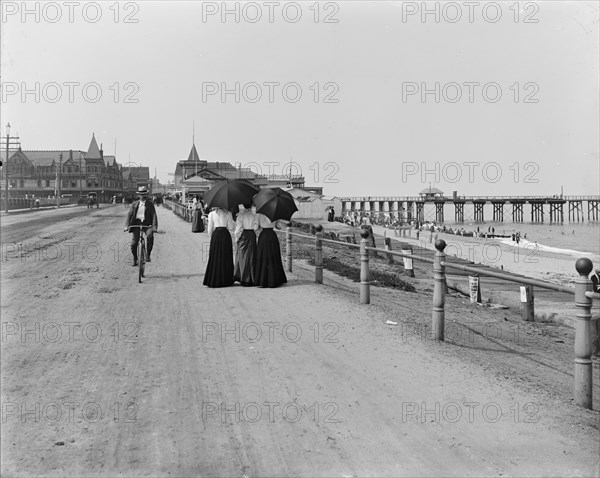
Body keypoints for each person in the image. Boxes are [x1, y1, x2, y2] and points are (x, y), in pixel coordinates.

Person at [125, 186, 158, 266]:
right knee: (134, 243)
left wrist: (154, 227)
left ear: (146, 195)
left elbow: (154, 215)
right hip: (136, 224)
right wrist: (127, 225)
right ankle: (135, 258)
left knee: (150, 236)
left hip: (147, 224)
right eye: (141, 194)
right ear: (138, 195)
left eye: (144, 194)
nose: (142, 196)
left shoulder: (150, 204)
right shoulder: (134, 204)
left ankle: (148, 254)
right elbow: (129, 215)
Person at [203, 207, 235, 288]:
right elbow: (231, 227)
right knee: (226, 256)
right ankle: (226, 279)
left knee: (215, 257)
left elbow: (209, 228)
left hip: (216, 235)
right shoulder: (228, 213)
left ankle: (214, 278)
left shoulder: (211, 214)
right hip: (225, 234)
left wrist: (211, 237)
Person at [254, 213, 287, 288]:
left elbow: (255, 228)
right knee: (273, 256)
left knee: (262, 256)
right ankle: (274, 279)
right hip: (272, 235)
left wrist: (258, 225)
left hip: (263, 236)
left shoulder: (259, 214)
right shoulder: (275, 213)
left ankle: (262, 279)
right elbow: (278, 227)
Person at [233, 204, 259, 286]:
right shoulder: (254, 215)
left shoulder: (241, 215)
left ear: (244, 206)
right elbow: (256, 228)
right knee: (251, 255)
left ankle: (242, 277)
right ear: (251, 206)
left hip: (244, 235)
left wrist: (236, 238)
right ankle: (252, 277)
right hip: (251, 234)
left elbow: (238, 228)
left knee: (242, 256)